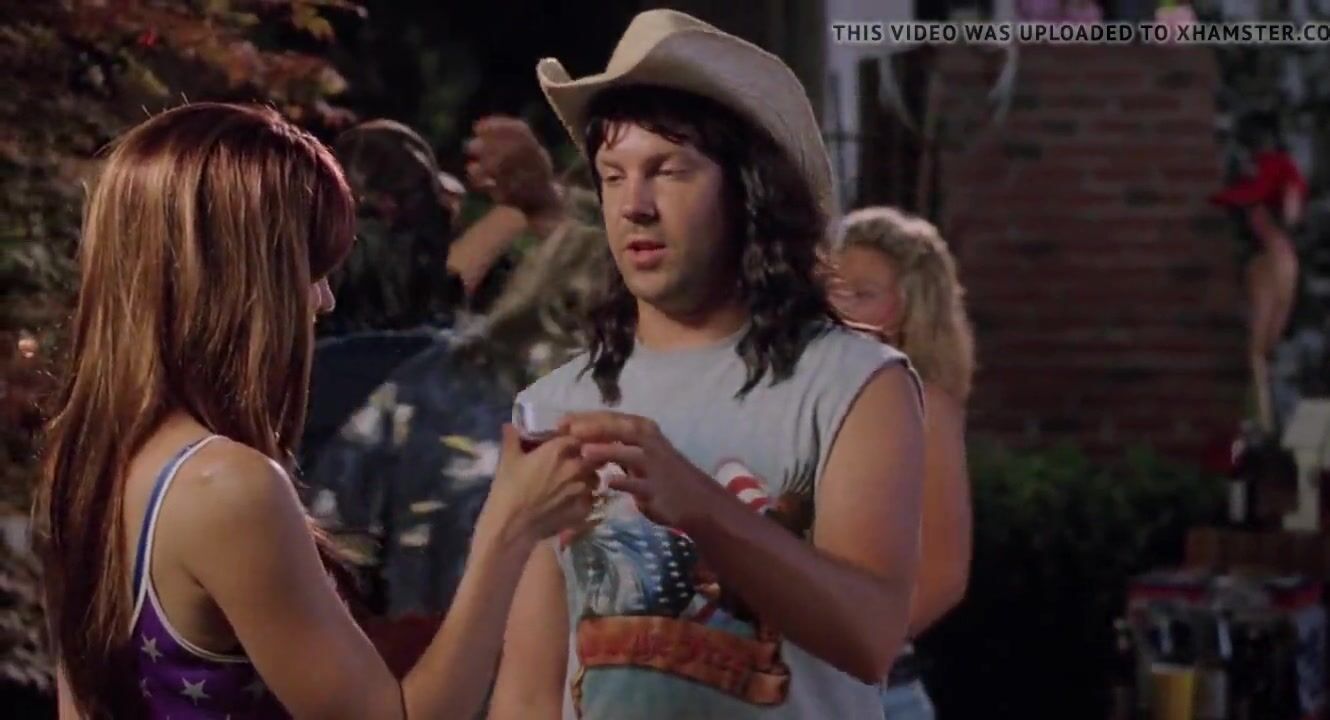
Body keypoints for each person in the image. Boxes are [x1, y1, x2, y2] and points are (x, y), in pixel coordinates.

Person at [31, 102, 598, 720]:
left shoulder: (82, 462)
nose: (324, 300)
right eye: (309, 268)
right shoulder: (227, 487)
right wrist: (511, 526)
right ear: (241, 276)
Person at [488, 10, 926, 720]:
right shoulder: (553, 404)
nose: (634, 206)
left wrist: (701, 506)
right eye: (612, 176)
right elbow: (530, 689)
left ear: (747, 192)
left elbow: (871, 636)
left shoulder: (857, 385)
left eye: (668, 170)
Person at [829, 205, 977, 720]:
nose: (837, 304)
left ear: (908, 308)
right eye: (832, 286)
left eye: (862, 293)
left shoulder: (921, 406)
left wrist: (836, 651)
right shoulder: (804, 398)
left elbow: (943, 573)